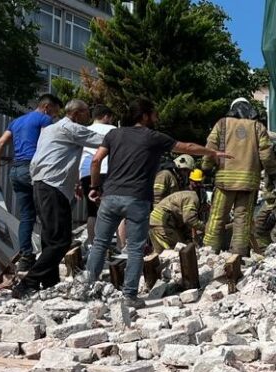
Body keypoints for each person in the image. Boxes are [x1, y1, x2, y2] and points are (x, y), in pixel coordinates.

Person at [85, 98, 231, 308]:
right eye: (154, 114)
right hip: (137, 199)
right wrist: (212, 152)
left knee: (100, 242)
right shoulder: (153, 137)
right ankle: (129, 297)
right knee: (135, 249)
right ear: (144, 116)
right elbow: (187, 147)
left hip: (110, 197)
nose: (157, 118)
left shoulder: (113, 134)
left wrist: (94, 186)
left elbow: (96, 160)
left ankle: (88, 289)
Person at [11, 99, 106, 298]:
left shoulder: (51, 129)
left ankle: (50, 282)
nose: (89, 117)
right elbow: (103, 140)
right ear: (78, 113)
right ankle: (27, 283)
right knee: (60, 241)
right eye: (87, 113)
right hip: (52, 187)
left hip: (42, 184)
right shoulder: (70, 128)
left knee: (49, 238)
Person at [0, 94, 63, 272]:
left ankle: (26, 257)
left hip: (16, 171)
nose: (54, 117)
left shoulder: (17, 122)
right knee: (47, 213)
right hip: (34, 169)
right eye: (54, 113)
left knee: (26, 216)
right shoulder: (44, 119)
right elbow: (51, 145)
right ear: (47, 108)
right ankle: (48, 257)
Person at [202, 98, 276, 255]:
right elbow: (266, 153)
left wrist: (206, 168)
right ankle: (238, 254)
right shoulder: (258, 127)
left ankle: (208, 252)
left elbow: (210, 148)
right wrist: (273, 173)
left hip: (225, 182)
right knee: (242, 221)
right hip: (249, 183)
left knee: (217, 217)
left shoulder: (222, 124)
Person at [78, 104, 119, 246]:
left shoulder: (83, 130)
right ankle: (120, 246)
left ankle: (92, 245)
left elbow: (79, 156)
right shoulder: (114, 130)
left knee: (91, 212)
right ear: (106, 116)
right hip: (108, 171)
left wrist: (77, 181)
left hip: (86, 172)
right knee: (115, 211)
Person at [149, 169, 207, 253]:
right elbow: (189, 219)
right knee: (178, 252)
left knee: (160, 255)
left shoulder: (184, 194)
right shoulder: (193, 197)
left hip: (154, 222)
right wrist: (205, 228)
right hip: (163, 224)